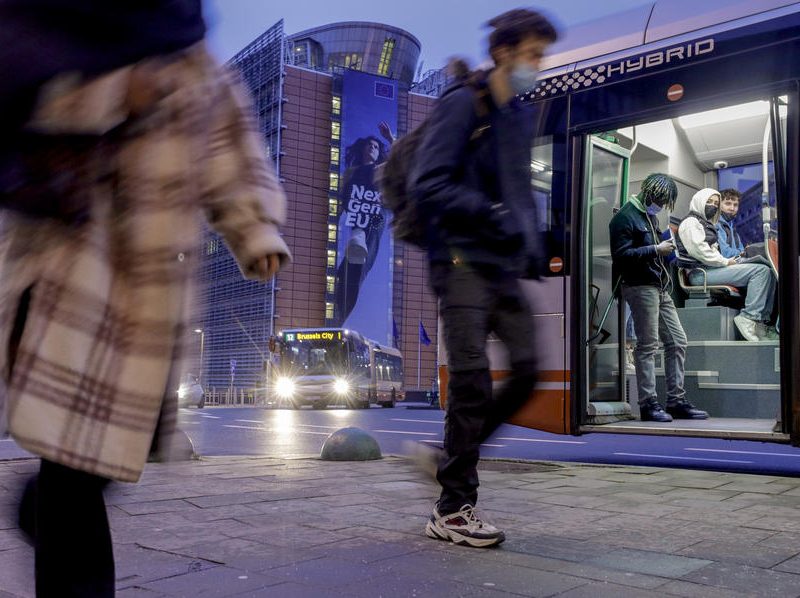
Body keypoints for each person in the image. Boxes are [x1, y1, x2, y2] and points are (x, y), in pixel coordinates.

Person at [0, 2, 291, 595]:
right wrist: (110, 94)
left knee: (96, 466)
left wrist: (255, 228)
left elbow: (236, 158)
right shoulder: (51, 32)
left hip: (150, 301)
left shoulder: (202, 69)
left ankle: (39, 506)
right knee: (74, 472)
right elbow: (18, 108)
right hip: (65, 284)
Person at [410, 8, 558, 548]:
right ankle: (453, 508)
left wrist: (531, 241)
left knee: (527, 372)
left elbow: (519, 190)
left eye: (542, 56)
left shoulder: (517, 114)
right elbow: (429, 184)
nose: (538, 66)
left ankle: (445, 459)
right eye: (533, 55)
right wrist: (487, 211)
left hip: (502, 264)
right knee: (471, 381)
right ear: (503, 52)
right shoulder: (460, 105)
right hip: (459, 261)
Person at [609, 174, 709, 423]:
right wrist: (656, 249)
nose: (662, 206)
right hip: (639, 286)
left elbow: (652, 252)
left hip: (659, 286)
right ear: (647, 192)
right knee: (648, 345)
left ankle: (676, 400)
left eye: (666, 203)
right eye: (659, 200)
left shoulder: (649, 216)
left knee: (678, 341)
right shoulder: (624, 217)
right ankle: (648, 403)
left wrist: (666, 250)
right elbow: (621, 256)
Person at [676, 188, 776, 342]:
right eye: (709, 202)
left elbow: (713, 250)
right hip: (699, 273)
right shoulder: (691, 222)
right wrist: (726, 261)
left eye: (715, 203)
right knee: (761, 271)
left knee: (768, 271)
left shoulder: (707, 223)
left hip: (711, 269)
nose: (713, 206)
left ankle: (761, 323)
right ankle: (749, 317)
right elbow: (701, 251)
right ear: (699, 201)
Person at [334, 123, 393, 324]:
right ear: (362, 149)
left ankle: (360, 241)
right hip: (357, 216)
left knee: (359, 265)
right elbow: (342, 198)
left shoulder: (382, 170)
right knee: (345, 272)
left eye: (376, 147)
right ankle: (338, 317)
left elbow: (402, 161)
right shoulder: (352, 173)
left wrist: (390, 139)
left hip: (376, 216)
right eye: (369, 145)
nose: (372, 148)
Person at [716, 188, 746, 259]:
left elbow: (742, 249)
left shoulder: (731, 227)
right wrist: (742, 252)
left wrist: (743, 252)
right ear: (719, 205)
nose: (732, 208)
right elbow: (725, 253)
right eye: (728, 204)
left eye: (735, 205)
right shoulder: (716, 224)